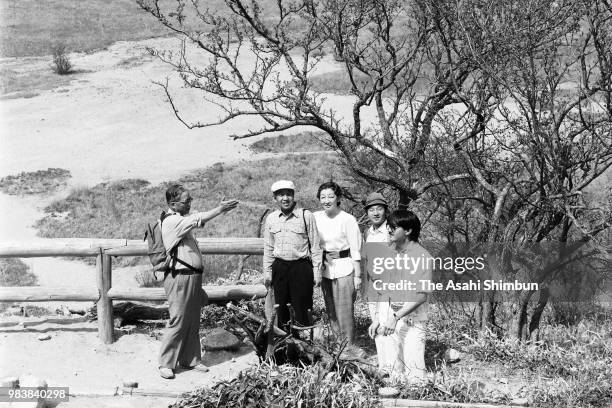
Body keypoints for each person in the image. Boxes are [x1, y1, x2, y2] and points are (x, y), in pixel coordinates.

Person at [158, 184, 238, 379]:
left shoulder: (180, 220)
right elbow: (198, 219)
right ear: (173, 204)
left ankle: (191, 359)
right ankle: (166, 363)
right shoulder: (172, 222)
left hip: (191, 276)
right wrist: (219, 209)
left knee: (193, 320)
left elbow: (195, 221)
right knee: (178, 319)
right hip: (179, 277)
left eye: (190, 199)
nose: (190, 204)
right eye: (187, 201)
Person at [371, 209, 432, 383]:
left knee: (415, 376)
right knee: (391, 373)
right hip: (390, 318)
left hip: (411, 320)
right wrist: (377, 318)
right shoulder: (390, 253)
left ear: (408, 231)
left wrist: (396, 317)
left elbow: (421, 296)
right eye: (389, 227)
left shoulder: (422, 257)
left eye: (393, 227)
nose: (389, 230)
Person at [263, 180, 322, 332]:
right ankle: (285, 347)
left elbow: (315, 245)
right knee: (281, 308)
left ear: (293, 196)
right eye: (281, 195)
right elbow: (268, 248)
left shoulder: (306, 216)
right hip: (280, 268)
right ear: (275, 198)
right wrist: (267, 272)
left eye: (288, 194)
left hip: (301, 268)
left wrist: (317, 272)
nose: (285, 198)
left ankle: (305, 346)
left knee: (302, 307)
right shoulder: (271, 218)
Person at [313, 181, 362, 344]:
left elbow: (355, 248)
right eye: (323, 197)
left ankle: (348, 346)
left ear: (338, 198)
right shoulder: (315, 217)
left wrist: (358, 275)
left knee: (345, 311)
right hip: (325, 268)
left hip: (344, 268)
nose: (326, 200)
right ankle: (338, 344)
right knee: (331, 310)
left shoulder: (347, 219)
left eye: (330, 196)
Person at [360, 192, 396, 373]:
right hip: (373, 284)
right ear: (367, 212)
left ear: (385, 210)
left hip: (388, 284)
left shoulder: (392, 231)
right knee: (375, 322)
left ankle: (392, 365)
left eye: (379, 209)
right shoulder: (368, 232)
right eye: (371, 209)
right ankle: (383, 364)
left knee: (386, 323)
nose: (375, 213)